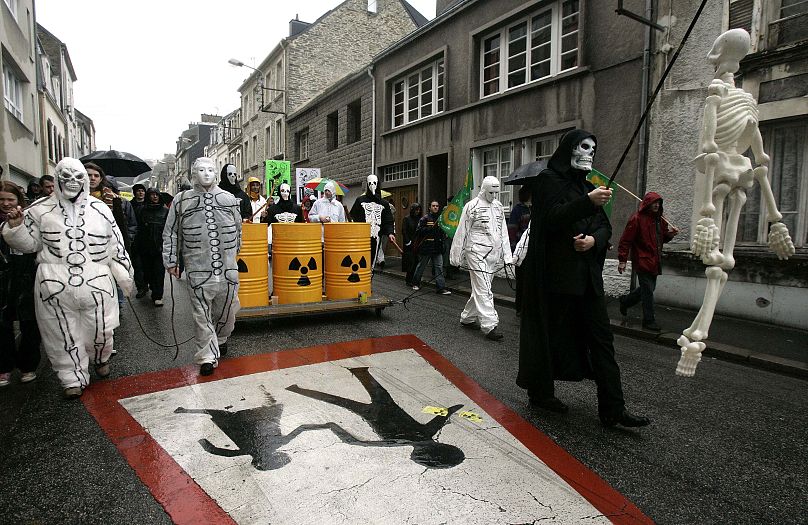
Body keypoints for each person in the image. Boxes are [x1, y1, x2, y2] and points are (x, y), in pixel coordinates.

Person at [516, 129, 650, 428]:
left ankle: (613, 408)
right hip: (556, 281)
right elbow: (549, 219)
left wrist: (593, 240)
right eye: (583, 147)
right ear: (568, 150)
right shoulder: (548, 181)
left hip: (587, 281)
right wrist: (587, 202)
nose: (589, 153)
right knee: (548, 338)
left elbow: (604, 227)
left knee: (603, 341)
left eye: (593, 148)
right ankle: (541, 392)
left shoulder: (589, 186)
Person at [2, 158, 133, 399]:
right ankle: (71, 377)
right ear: (58, 178)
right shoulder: (39, 209)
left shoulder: (101, 209)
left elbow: (116, 243)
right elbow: (29, 244)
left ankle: (100, 357)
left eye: (77, 177)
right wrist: (16, 226)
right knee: (61, 333)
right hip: (54, 281)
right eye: (67, 177)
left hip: (97, 281)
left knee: (102, 330)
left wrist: (125, 273)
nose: (72, 182)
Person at [163, 157, 241, 376]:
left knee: (228, 309)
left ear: (216, 173)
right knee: (201, 314)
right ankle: (206, 356)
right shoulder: (181, 201)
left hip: (227, 269)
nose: (206, 174)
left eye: (210, 170)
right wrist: (171, 260)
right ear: (193, 173)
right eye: (201, 170)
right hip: (198, 268)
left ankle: (222, 336)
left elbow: (238, 229)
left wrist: (235, 253)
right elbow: (171, 232)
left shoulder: (228, 199)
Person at [450, 176, 512, 341]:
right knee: (484, 289)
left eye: (496, 192)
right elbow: (461, 230)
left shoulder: (498, 207)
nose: (494, 196)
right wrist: (455, 255)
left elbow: (503, 231)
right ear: (484, 189)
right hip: (476, 252)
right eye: (491, 192)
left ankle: (467, 317)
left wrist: (507, 256)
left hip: (493, 254)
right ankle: (490, 324)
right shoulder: (472, 206)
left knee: (480, 288)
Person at [617, 192, 679, 332]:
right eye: (654, 203)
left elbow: (661, 239)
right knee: (648, 292)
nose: (657, 205)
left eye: (659, 203)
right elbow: (625, 241)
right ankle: (649, 321)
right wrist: (622, 260)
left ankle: (625, 301)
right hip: (642, 261)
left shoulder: (660, 220)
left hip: (655, 261)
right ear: (647, 204)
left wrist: (671, 234)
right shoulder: (636, 219)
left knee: (648, 289)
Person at [0, 182, 41, 387]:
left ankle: (28, 365)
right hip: (3, 278)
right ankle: (4, 367)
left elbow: (34, 246)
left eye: (10, 199)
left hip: (27, 276)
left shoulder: (31, 219)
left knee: (30, 323)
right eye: (2, 200)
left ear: (19, 201)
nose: (6, 203)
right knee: (2, 325)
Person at [349, 175, 395, 269]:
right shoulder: (360, 200)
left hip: (376, 235)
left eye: (374, 183)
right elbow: (353, 217)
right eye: (370, 183)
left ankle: (370, 276)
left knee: (372, 260)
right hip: (362, 236)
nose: (372, 185)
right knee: (360, 260)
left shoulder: (384, 204)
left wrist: (390, 233)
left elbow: (388, 220)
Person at [134, 188, 169, 307]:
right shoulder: (141, 210)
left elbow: (169, 229)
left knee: (159, 272)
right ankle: (150, 287)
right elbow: (137, 227)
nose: (154, 197)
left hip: (160, 247)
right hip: (145, 247)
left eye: (156, 195)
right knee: (148, 272)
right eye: (152, 195)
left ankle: (158, 295)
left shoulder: (165, 211)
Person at [412, 201, 451, 295]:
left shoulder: (440, 219)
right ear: (429, 207)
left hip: (437, 247)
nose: (435, 207)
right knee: (421, 266)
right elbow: (418, 231)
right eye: (433, 206)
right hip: (426, 247)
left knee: (439, 267)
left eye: (437, 206)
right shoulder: (425, 218)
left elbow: (442, 233)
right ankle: (415, 283)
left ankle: (440, 288)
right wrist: (429, 229)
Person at [508, 186, 532, 315]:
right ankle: (519, 308)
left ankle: (528, 307)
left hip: (532, 250)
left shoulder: (533, 208)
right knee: (521, 281)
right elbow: (512, 229)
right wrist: (513, 250)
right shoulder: (517, 210)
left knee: (531, 281)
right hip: (521, 250)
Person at [130, 183, 148, 298]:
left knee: (147, 265)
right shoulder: (130, 205)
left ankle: (147, 283)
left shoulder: (149, 204)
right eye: (138, 191)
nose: (141, 193)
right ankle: (140, 287)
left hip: (147, 240)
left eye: (142, 191)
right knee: (137, 265)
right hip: (135, 240)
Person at [402, 202, 422, 286]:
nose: (417, 211)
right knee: (411, 262)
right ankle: (409, 279)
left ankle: (415, 279)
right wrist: (408, 242)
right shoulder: (407, 219)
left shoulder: (420, 219)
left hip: (418, 243)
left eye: (419, 210)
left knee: (417, 262)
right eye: (416, 210)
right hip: (409, 244)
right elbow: (404, 231)